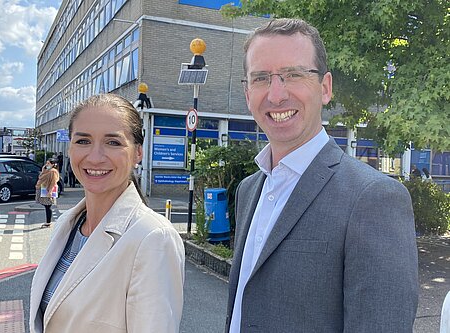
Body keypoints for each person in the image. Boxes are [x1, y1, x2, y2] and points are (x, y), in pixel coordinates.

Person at [226, 18, 418, 333]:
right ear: (247, 94)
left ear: (325, 88)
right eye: (261, 78)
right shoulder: (249, 190)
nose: (276, 95)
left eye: (293, 75)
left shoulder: (374, 199)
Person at [29, 94, 185, 333]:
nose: (95, 157)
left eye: (113, 143)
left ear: (138, 153)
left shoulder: (153, 238)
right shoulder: (66, 225)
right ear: (70, 147)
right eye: (83, 141)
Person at [35, 158, 60, 228]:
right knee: (46, 206)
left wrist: (50, 191)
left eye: (48, 163)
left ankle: (48, 222)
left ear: (53, 164)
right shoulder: (47, 170)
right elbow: (40, 177)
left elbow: (53, 182)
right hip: (43, 188)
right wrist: (43, 170)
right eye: (46, 163)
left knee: (48, 206)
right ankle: (48, 222)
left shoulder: (53, 172)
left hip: (47, 189)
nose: (47, 164)